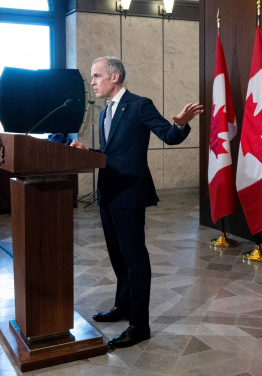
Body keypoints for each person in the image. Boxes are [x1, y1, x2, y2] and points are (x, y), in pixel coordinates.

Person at [71, 56, 203, 349]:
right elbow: (110, 153)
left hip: (130, 194)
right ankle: (123, 306)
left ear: (114, 77)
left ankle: (139, 324)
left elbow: (169, 136)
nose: (92, 82)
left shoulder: (139, 105)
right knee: (118, 256)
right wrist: (87, 151)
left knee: (134, 259)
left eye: (96, 76)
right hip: (107, 193)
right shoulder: (105, 112)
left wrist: (180, 124)